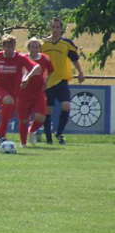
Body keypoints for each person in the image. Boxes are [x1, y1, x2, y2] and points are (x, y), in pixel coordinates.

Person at [41, 17, 85, 145]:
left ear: (62, 29)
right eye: (53, 27)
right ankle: (48, 137)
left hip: (62, 80)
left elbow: (74, 59)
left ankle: (59, 133)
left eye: (57, 27)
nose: (55, 30)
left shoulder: (67, 43)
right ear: (50, 28)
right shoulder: (43, 43)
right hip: (47, 81)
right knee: (48, 110)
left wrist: (80, 72)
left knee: (66, 106)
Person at [17, 38, 54, 147]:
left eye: (37, 46)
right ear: (28, 48)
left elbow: (51, 71)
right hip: (24, 92)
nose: (35, 48)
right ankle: (23, 143)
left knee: (41, 117)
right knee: (23, 120)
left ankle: (31, 131)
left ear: (40, 48)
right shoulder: (23, 58)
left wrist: (46, 81)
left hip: (39, 92)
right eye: (32, 46)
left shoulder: (45, 58)